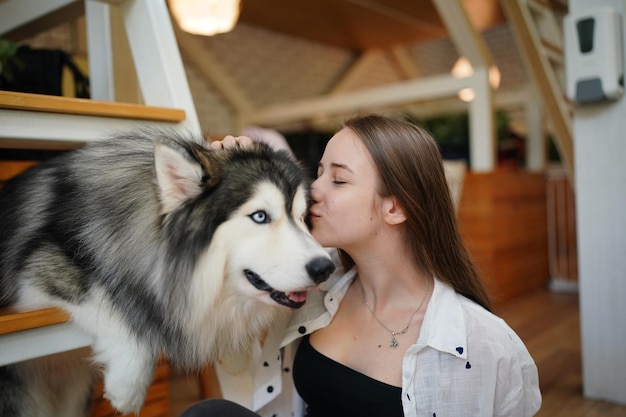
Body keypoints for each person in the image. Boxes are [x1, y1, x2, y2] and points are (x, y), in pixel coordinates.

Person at [190, 114, 541, 417]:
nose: (314, 189)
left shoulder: (483, 345)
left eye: (338, 180)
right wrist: (235, 184)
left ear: (395, 208)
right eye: (320, 173)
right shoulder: (316, 286)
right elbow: (215, 306)